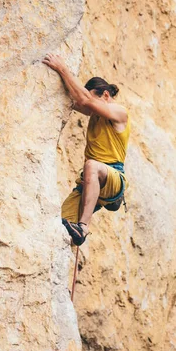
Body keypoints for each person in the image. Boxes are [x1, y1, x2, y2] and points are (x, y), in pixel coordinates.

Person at [43, 53, 130, 246]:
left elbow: (84, 99)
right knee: (58, 221)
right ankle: (75, 233)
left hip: (113, 175)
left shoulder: (119, 112)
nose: (89, 106)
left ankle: (83, 226)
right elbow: (75, 100)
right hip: (93, 180)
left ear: (105, 95)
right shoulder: (96, 114)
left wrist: (62, 68)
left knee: (91, 165)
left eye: (93, 99)